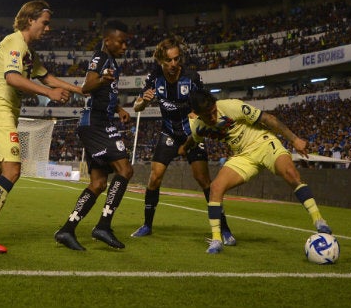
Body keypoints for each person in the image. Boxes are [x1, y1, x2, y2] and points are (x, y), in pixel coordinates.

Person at [0, 0, 83, 253]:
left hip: (2, 113)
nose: (47, 29)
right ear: (30, 20)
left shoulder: (27, 50)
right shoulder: (15, 42)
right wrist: (50, 93)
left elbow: (46, 76)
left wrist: (79, 90)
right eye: (44, 23)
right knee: (13, 171)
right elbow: (13, 78)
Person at [179, 89, 332, 254]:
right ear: (197, 114)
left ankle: (319, 221)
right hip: (243, 156)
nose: (212, 117)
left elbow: (269, 118)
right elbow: (193, 139)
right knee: (215, 188)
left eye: (213, 112)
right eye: (207, 115)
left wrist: (294, 139)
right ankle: (217, 240)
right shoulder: (199, 127)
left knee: (291, 174)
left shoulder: (232, 106)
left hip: (264, 143)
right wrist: (183, 148)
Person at [130, 35, 234, 245]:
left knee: (204, 181)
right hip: (168, 133)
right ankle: (147, 225)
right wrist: (143, 103)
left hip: (192, 135)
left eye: (177, 59)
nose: (173, 64)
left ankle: (224, 229)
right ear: (161, 60)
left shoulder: (191, 77)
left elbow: (205, 103)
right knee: (154, 178)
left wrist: (201, 116)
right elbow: (136, 106)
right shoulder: (154, 77)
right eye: (169, 60)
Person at [54, 20, 133, 251]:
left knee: (98, 183)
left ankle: (66, 230)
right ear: (108, 40)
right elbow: (88, 87)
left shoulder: (111, 62)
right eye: (121, 42)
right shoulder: (101, 58)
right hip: (96, 124)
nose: (125, 47)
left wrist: (118, 109)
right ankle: (103, 226)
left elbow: (99, 93)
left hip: (98, 122)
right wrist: (101, 79)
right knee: (125, 170)